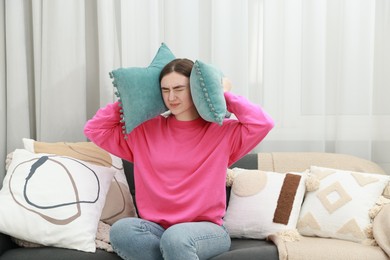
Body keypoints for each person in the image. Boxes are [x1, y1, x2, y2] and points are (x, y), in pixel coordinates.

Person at [84, 58, 274, 260]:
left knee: (176, 238)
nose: (171, 97)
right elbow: (95, 129)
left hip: (206, 231)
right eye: (165, 90)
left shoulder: (222, 131)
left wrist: (221, 93)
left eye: (178, 88)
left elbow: (262, 123)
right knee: (122, 230)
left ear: (194, 89)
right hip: (155, 230)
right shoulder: (145, 129)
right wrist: (133, 99)